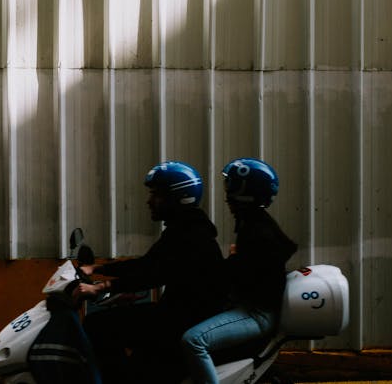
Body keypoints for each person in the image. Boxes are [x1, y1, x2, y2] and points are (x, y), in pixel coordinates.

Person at [76, 161, 227, 384]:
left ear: (177, 198)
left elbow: (154, 274)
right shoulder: (183, 227)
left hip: (185, 319)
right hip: (178, 313)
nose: (149, 201)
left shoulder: (191, 235)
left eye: (156, 195)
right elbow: (147, 264)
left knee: (97, 325)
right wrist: (98, 268)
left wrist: (102, 286)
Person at [180, 158, 298, 384]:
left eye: (231, 185)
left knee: (193, 341)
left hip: (256, 314)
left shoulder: (256, 230)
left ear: (245, 190)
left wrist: (232, 262)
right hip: (250, 307)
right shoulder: (254, 222)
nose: (226, 193)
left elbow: (240, 273)